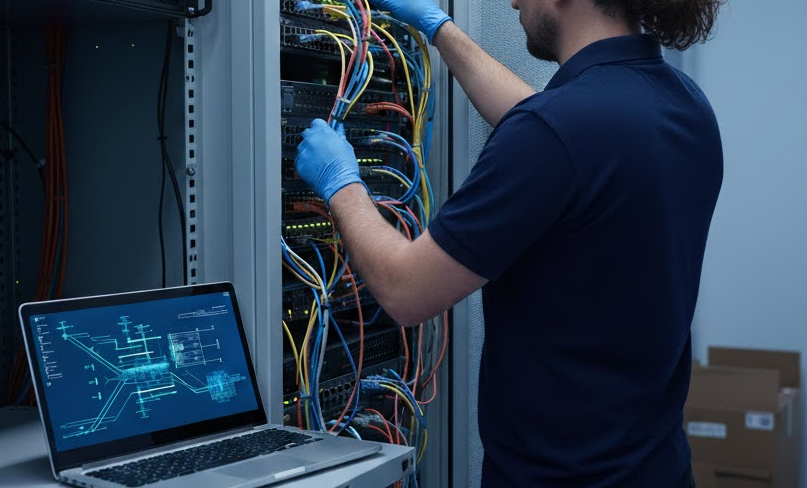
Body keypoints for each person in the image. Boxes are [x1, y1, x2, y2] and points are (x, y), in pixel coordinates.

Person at [295, 0, 724, 486]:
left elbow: (405, 290)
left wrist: (341, 184)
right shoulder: (685, 104)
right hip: (659, 469)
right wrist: (440, 29)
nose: (513, 1)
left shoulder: (555, 132)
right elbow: (552, 136)